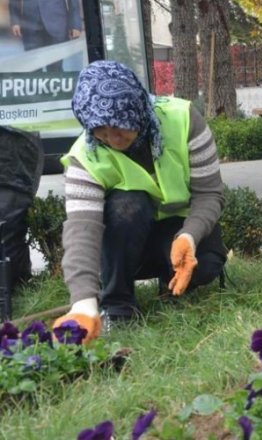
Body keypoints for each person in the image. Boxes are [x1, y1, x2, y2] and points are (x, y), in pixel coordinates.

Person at [51, 61, 227, 343]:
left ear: (136, 110)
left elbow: (210, 194)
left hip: (179, 229)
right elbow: (82, 230)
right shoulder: (84, 157)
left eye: (119, 126)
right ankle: (117, 305)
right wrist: (83, 302)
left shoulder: (183, 120)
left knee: (205, 265)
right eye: (100, 130)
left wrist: (190, 237)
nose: (112, 138)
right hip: (126, 242)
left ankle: (170, 284)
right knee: (127, 203)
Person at [9, 0, 82, 71]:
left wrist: (75, 24)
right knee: (33, 68)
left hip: (57, 23)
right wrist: (15, 21)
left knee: (55, 69)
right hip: (30, 25)